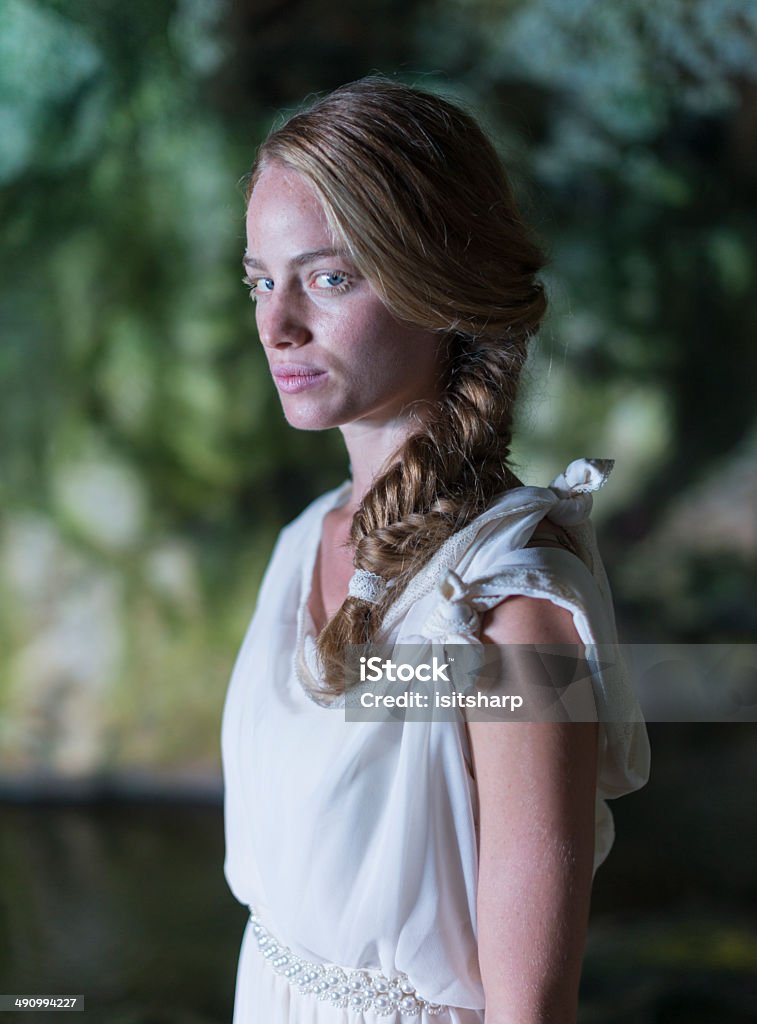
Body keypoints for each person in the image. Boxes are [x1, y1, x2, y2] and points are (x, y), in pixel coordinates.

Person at [222, 76, 650, 1024]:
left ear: (438, 288)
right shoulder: (304, 544)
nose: (274, 324)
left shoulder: (516, 615)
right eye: (260, 278)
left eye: (327, 278)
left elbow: (530, 1010)